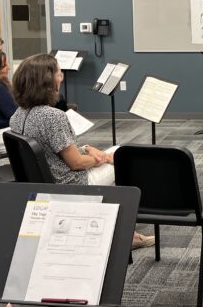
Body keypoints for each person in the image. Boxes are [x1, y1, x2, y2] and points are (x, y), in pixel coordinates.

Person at [9, 53, 154, 249]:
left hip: (45, 178)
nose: (62, 77)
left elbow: (55, 148)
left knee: (118, 151)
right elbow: (76, 164)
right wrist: (101, 159)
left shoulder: (18, 115)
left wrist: (87, 149)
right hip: (68, 181)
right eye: (59, 73)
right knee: (126, 158)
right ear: (47, 81)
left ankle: (112, 223)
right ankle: (126, 234)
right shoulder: (52, 116)